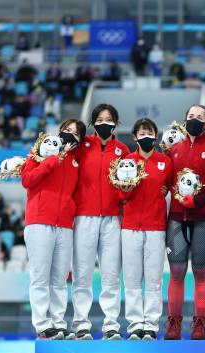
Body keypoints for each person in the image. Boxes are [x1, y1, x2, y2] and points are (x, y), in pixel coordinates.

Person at [164, 104, 205, 340]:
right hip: (177, 218)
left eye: (200, 117)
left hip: (203, 217)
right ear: (184, 120)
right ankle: (174, 324)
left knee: (201, 272)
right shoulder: (174, 150)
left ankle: (200, 324)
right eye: (191, 116)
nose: (195, 120)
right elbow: (164, 179)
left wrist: (197, 199)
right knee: (177, 272)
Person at [22, 118, 85, 339]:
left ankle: (58, 323)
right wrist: (51, 160)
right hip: (39, 221)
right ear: (59, 132)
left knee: (59, 278)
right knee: (40, 277)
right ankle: (42, 324)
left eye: (75, 133)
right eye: (66, 130)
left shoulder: (76, 162)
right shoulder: (40, 151)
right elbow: (27, 180)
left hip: (65, 225)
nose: (70, 135)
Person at [71, 104, 129, 340]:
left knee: (111, 275)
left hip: (112, 218)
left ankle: (111, 324)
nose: (105, 123)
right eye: (100, 119)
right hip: (84, 217)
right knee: (82, 274)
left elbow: (129, 184)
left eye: (110, 119)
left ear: (116, 123)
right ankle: (81, 324)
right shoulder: (82, 146)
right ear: (93, 123)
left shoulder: (123, 150)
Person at [118, 118, 172, 340]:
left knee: (153, 279)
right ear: (134, 137)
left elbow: (169, 188)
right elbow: (120, 195)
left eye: (150, 132)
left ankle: (151, 324)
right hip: (130, 227)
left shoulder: (165, 162)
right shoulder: (126, 161)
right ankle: (134, 324)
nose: (146, 136)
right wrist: (126, 187)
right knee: (131, 279)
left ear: (156, 135)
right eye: (142, 132)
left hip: (156, 227)